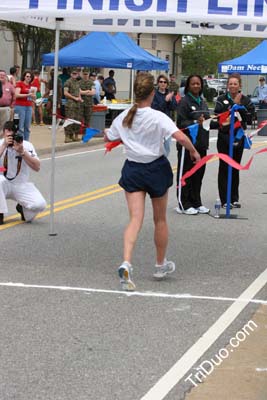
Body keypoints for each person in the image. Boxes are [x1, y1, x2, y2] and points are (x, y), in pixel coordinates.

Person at [104, 72, 200, 291]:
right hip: (155, 168)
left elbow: (109, 136)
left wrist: (106, 133)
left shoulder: (125, 116)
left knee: (135, 219)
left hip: (133, 169)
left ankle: (126, 261)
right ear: (153, 93)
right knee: (160, 220)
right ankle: (159, 264)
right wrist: (194, 152)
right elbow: (181, 137)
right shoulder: (157, 116)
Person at [176, 74, 216, 215]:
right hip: (188, 145)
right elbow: (180, 124)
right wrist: (194, 122)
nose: (196, 86)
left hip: (201, 144)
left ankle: (196, 202)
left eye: (198, 84)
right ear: (188, 86)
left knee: (198, 175)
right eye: (193, 83)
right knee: (187, 174)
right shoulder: (184, 102)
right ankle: (183, 203)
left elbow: (207, 121)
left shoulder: (203, 102)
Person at [214, 73, 254, 209]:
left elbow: (250, 117)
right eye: (230, 83)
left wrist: (241, 109)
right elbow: (219, 117)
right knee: (224, 167)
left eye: (235, 83)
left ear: (239, 85)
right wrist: (233, 105)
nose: (232, 86)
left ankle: (234, 197)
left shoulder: (245, 99)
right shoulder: (221, 99)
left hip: (238, 136)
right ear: (227, 85)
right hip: (224, 137)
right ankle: (225, 199)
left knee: (235, 167)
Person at [0, 120, 46, 225]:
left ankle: (22, 208)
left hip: (20, 184)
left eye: (13, 135)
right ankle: (0, 213)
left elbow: (37, 167)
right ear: (3, 133)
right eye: (8, 135)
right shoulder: (0, 144)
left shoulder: (26, 145)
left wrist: (22, 152)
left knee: (40, 205)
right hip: (3, 183)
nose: (11, 138)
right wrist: (3, 146)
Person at [151, 74, 178, 156]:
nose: (163, 84)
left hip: (167, 123)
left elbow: (174, 107)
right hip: (157, 123)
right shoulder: (154, 94)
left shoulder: (169, 93)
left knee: (167, 146)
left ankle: (164, 162)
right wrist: (165, 100)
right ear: (158, 83)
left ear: (167, 84)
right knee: (156, 147)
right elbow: (155, 108)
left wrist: (170, 100)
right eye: (161, 82)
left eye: (165, 82)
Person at [14, 70, 36, 141]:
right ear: (24, 77)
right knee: (20, 126)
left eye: (30, 77)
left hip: (28, 106)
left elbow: (31, 97)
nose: (29, 78)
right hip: (20, 106)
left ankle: (27, 142)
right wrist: (28, 94)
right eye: (27, 76)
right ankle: (20, 142)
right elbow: (16, 95)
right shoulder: (19, 84)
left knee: (27, 126)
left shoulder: (31, 86)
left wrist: (34, 98)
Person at [64, 68, 83, 142]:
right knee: (69, 119)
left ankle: (75, 135)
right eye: (73, 73)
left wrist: (80, 98)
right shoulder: (68, 82)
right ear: (71, 74)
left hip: (77, 104)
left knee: (77, 120)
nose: (74, 75)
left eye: (76, 73)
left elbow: (78, 92)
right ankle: (67, 136)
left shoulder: (77, 82)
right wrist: (74, 98)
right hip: (70, 103)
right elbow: (65, 93)